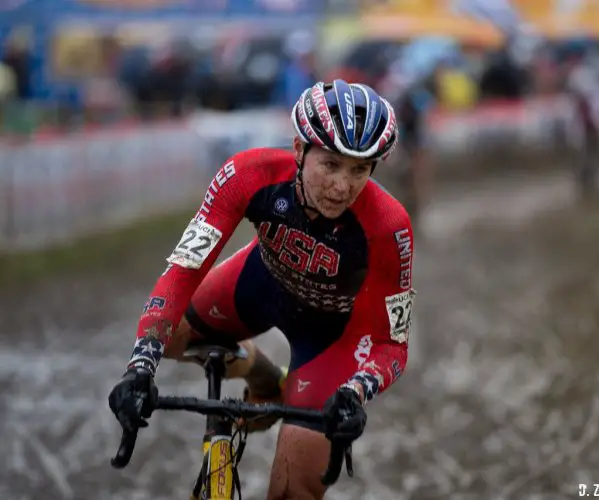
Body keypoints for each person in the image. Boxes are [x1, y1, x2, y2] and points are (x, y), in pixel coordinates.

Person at [108, 79, 415, 499]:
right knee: (171, 335)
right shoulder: (248, 174)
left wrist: (354, 391)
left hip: (331, 340)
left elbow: (392, 344)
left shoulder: (389, 225)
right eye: (331, 164)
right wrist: (140, 367)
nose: (343, 187)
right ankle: (264, 376)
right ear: (298, 149)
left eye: (359, 170)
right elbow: (184, 268)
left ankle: (288, 387)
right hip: (258, 285)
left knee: (294, 490)